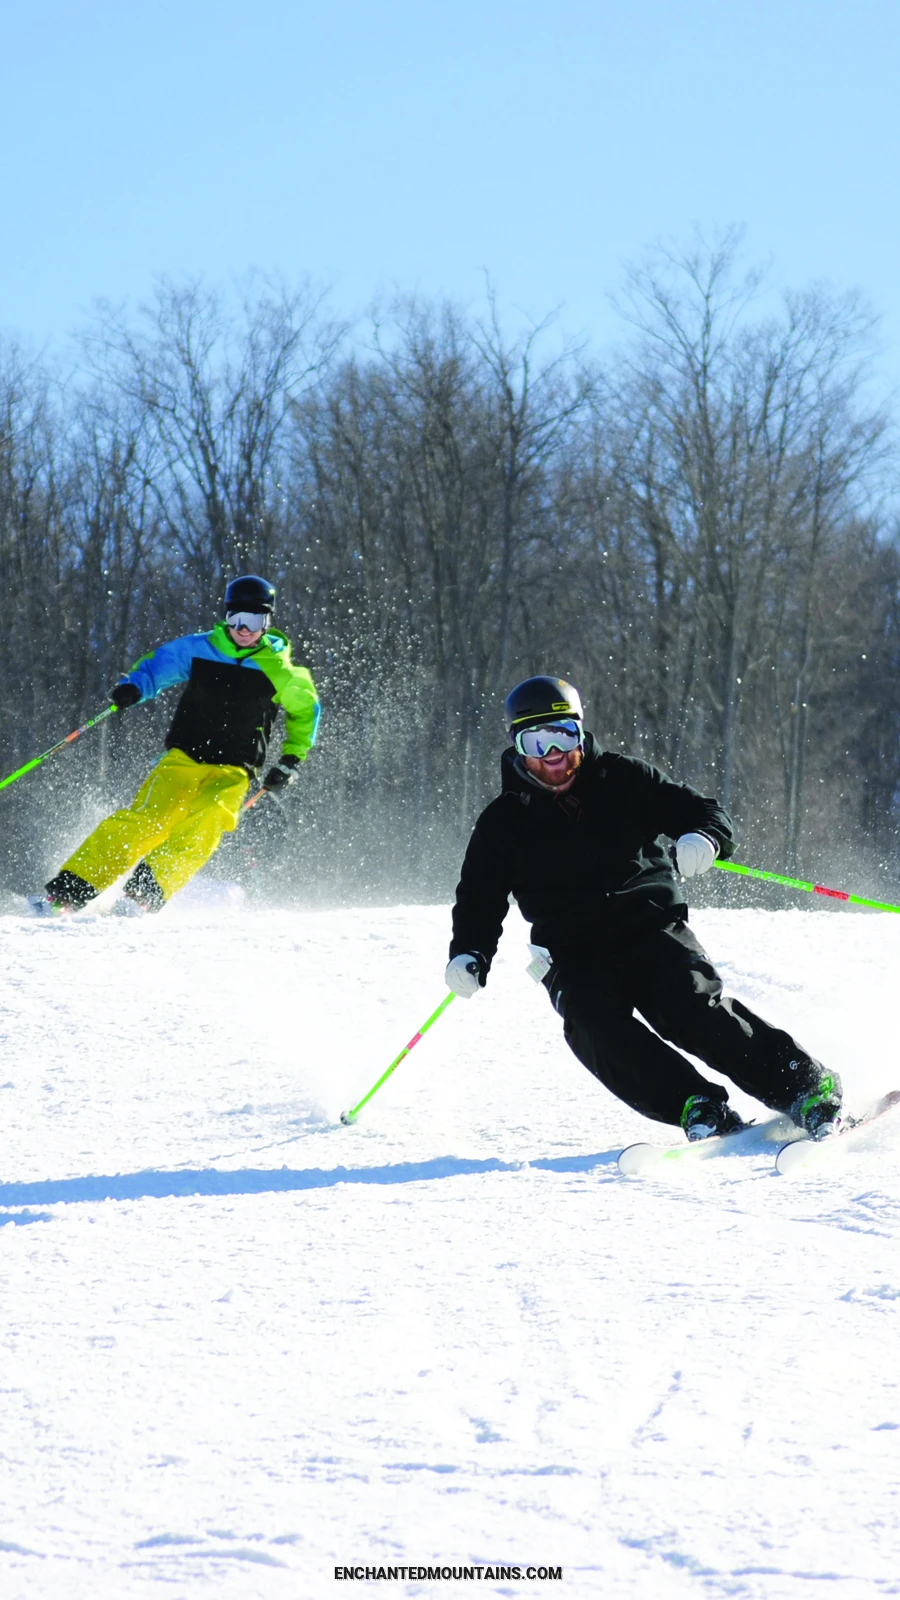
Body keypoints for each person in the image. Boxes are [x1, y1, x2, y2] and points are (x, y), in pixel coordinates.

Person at [445, 675, 842, 1142]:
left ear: (580, 732)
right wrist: (468, 952)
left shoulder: (622, 778)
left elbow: (707, 813)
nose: (553, 754)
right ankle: (696, 1105)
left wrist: (704, 837)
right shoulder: (502, 822)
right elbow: (479, 897)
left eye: (563, 735)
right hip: (572, 955)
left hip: (651, 930)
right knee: (592, 1026)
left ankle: (806, 1089)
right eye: (537, 740)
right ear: (518, 747)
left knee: (690, 1007)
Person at [33, 575, 320, 916]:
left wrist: (290, 759)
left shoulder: (283, 671)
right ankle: (67, 894)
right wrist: (135, 686)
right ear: (226, 617)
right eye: (236, 619)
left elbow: (305, 713)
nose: (244, 629)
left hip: (234, 769)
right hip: (184, 757)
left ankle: (143, 895)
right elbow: (158, 665)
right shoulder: (201, 648)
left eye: (254, 620)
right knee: (146, 821)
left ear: (267, 621)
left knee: (208, 822)